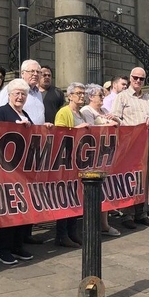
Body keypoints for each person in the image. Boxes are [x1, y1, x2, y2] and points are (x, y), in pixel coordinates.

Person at [0, 78, 37, 265]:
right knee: (9, 210)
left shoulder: (25, 113)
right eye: (17, 93)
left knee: (23, 209)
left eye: (23, 94)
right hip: (7, 169)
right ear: (9, 95)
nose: (20, 97)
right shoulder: (1, 112)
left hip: (23, 170)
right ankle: (2, 250)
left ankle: (17, 246)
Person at [111, 67, 149, 229]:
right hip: (128, 145)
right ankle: (127, 215)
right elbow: (115, 118)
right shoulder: (122, 97)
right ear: (130, 78)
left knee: (142, 180)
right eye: (135, 77)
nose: (138, 80)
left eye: (141, 78)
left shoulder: (147, 99)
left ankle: (141, 213)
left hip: (144, 145)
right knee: (129, 179)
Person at [80, 84, 120, 237]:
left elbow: (119, 124)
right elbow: (90, 130)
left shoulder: (103, 110)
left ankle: (104, 223)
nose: (103, 98)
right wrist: (109, 125)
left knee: (106, 188)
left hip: (106, 155)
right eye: (100, 95)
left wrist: (115, 119)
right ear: (91, 97)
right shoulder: (87, 111)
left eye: (103, 95)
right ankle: (95, 223)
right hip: (93, 156)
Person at [54, 82, 89, 247]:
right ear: (70, 96)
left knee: (75, 197)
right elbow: (59, 135)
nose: (81, 96)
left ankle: (72, 232)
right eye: (78, 93)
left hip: (78, 162)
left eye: (83, 93)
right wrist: (77, 129)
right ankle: (62, 235)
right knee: (65, 198)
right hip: (66, 162)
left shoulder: (80, 113)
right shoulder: (63, 112)